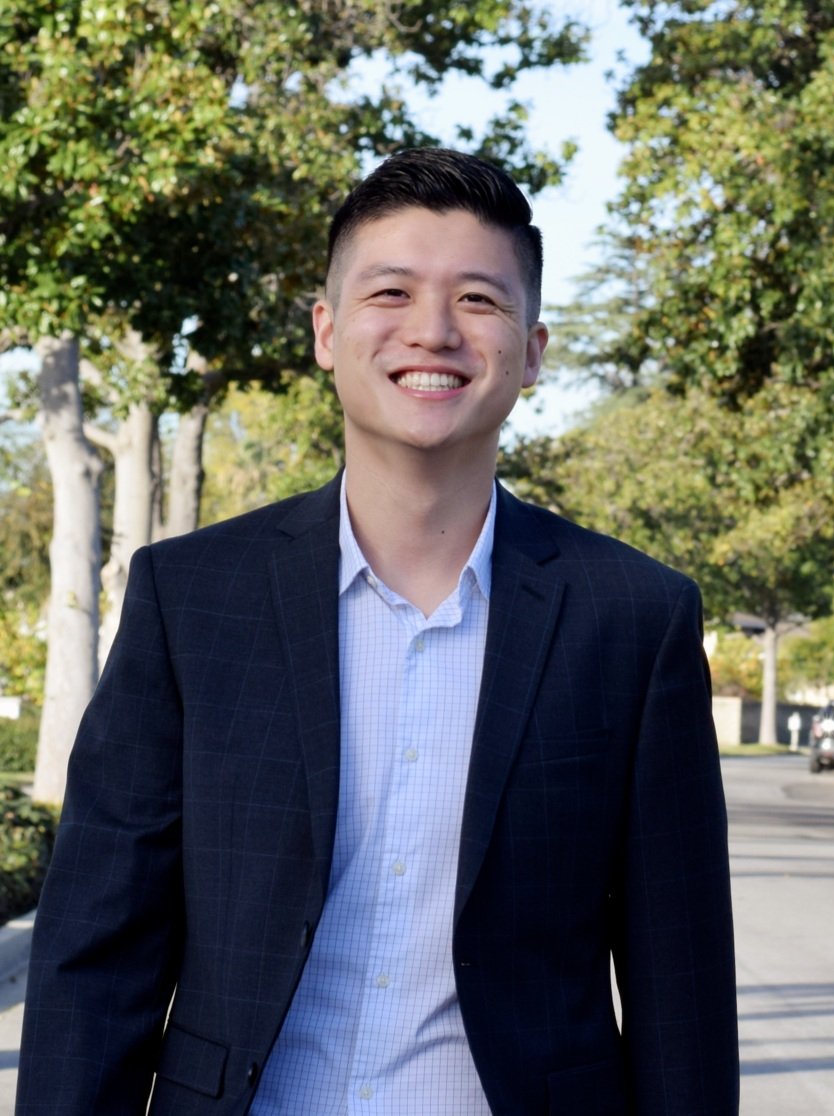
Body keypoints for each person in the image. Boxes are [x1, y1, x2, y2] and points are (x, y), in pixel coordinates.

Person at [16, 148, 739, 1115]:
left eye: (478, 300)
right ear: (327, 331)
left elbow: (678, 982)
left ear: (531, 352)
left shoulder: (634, 616)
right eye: (390, 292)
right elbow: (97, 953)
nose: (432, 330)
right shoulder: (190, 599)